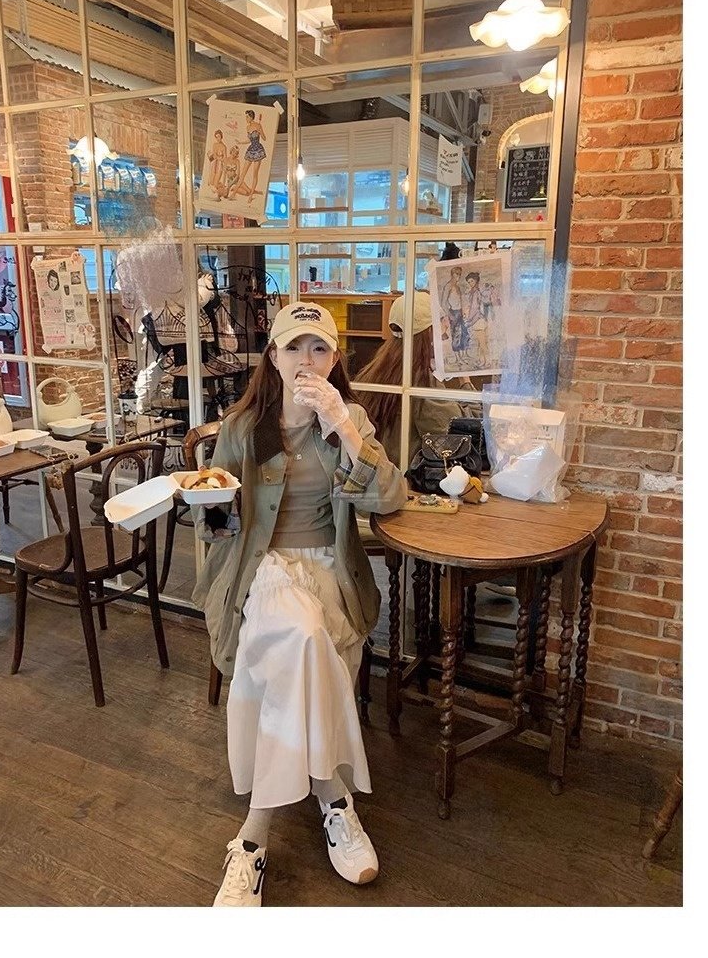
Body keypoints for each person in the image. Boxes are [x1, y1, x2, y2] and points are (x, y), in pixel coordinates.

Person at [192, 302, 407, 907]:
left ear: (335, 359)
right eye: (293, 347)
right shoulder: (245, 427)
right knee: (305, 635)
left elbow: (390, 497)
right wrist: (210, 510)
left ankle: (254, 841)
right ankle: (334, 802)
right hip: (262, 571)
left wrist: (343, 426)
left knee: (301, 650)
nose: (306, 360)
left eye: (318, 348)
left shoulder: (348, 419)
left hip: (331, 573)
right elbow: (216, 521)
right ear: (274, 356)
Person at [355, 292, 480, 467]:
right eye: (443, 329)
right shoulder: (423, 385)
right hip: (408, 478)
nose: (447, 330)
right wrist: (465, 380)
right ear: (430, 334)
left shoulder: (376, 371)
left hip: (382, 473)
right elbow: (465, 433)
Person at [235, 109, 267, 205]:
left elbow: (264, 138)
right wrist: (240, 142)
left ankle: (251, 195)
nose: (246, 119)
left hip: (258, 150)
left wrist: (260, 131)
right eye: (246, 117)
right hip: (250, 150)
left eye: (247, 117)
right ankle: (233, 193)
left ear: (251, 117)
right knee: (243, 172)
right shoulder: (247, 127)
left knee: (254, 174)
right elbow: (249, 140)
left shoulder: (258, 125)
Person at [208, 129, 227, 195]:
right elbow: (214, 155)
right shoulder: (214, 145)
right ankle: (220, 188)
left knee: (215, 184)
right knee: (210, 182)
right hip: (214, 163)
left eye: (218, 136)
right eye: (216, 137)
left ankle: (220, 190)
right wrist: (216, 157)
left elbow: (225, 158)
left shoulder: (224, 147)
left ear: (221, 136)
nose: (217, 138)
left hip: (220, 165)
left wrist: (221, 160)